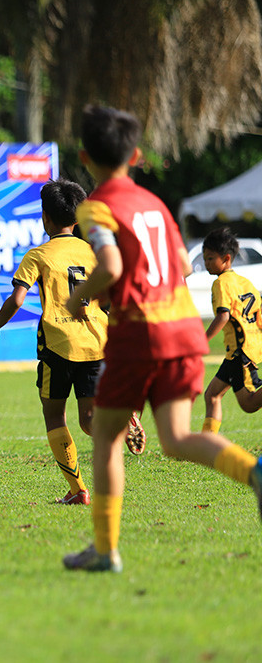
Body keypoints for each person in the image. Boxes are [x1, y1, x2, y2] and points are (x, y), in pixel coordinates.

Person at [62, 104, 262, 572]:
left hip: (141, 333)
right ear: (135, 156)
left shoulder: (96, 206)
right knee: (176, 437)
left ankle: (105, 549)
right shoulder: (155, 206)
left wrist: (80, 299)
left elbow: (110, 266)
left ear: (85, 156)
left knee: (107, 438)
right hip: (183, 332)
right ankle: (254, 471)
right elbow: (176, 266)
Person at [0, 179, 144, 506]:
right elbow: (110, 294)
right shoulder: (93, 252)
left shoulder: (38, 254)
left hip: (58, 345)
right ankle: (122, 421)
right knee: (90, 420)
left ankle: (78, 490)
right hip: (96, 342)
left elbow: (17, 299)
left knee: (55, 417)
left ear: (45, 217)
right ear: (77, 218)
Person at [200, 227, 262, 431]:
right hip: (246, 347)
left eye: (210, 259)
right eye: (205, 258)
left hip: (240, 351)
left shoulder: (221, 283)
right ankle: (206, 443)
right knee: (212, 395)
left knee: (249, 404)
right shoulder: (246, 283)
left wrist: (202, 340)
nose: (206, 263)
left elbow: (223, 315)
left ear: (226, 258)